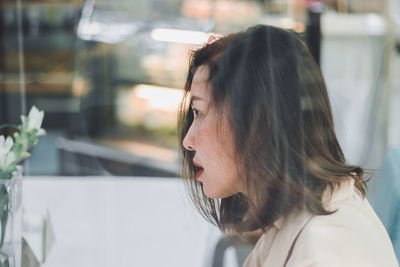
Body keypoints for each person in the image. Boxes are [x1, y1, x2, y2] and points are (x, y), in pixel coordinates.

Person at [177, 25, 398, 266]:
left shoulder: (324, 253)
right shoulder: (294, 215)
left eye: (199, 112)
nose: (188, 141)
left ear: (260, 122)